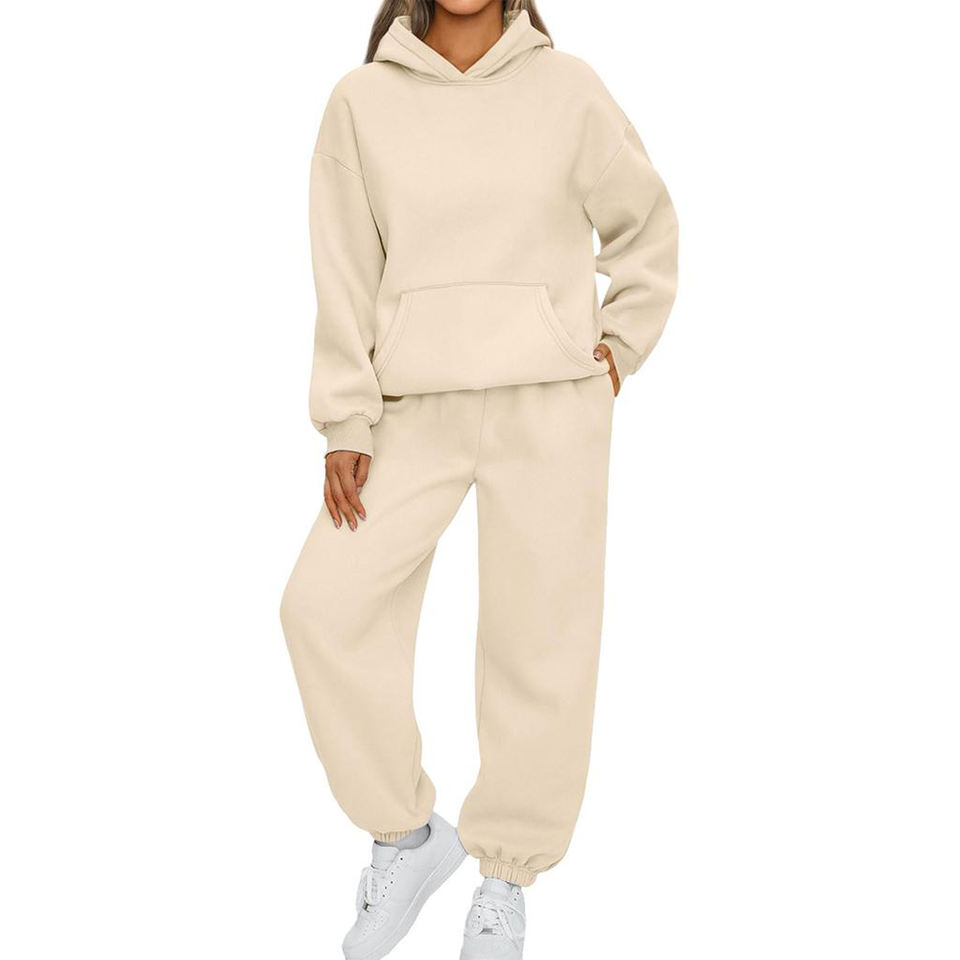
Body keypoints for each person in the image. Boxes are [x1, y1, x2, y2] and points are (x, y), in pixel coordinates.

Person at [280, 2, 678, 957]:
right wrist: (346, 418)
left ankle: (505, 879)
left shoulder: (568, 90)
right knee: (323, 608)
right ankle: (407, 836)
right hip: (411, 408)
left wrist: (618, 348)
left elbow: (648, 228)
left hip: (549, 403)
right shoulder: (361, 101)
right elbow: (344, 270)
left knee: (540, 640)